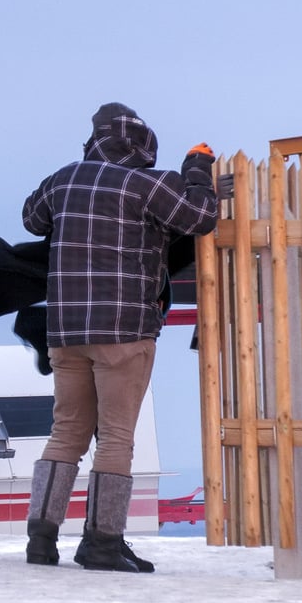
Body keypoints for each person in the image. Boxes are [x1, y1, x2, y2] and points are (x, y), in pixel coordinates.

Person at [21, 102, 219, 572]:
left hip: (66, 331)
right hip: (123, 330)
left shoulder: (62, 179)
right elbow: (200, 217)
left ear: (94, 140)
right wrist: (196, 168)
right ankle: (103, 543)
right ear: (141, 145)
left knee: (65, 431)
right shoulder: (146, 184)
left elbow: (32, 219)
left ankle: (41, 540)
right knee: (115, 437)